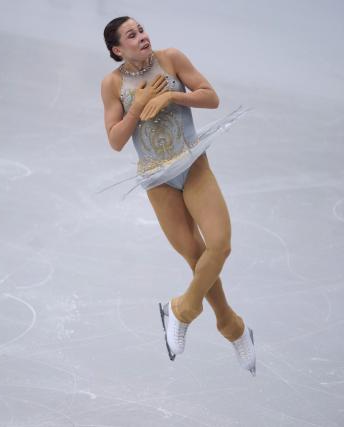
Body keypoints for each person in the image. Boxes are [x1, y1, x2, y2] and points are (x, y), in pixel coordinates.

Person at [100, 16, 256, 376]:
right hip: (158, 180)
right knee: (197, 256)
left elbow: (212, 97)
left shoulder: (171, 59)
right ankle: (232, 327)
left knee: (220, 246)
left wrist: (171, 94)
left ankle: (182, 310)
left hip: (192, 164)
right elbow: (115, 140)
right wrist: (137, 106)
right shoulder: (112, 84)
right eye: (131, 35)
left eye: (141, 30)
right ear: (117, 49)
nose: (142, 36)